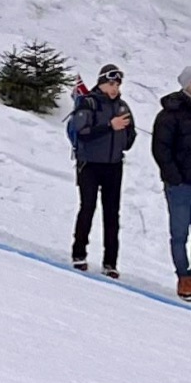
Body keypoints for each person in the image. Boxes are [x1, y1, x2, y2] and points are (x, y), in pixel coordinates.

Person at [69, 63, 136, 278]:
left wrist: (125, 135)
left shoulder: (123, 107)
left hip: (113, 165)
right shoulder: (89, 103)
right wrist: (109, 126)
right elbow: (82, 132)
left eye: (117, 84)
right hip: (89, 164)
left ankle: (110, 262)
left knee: (112, 214)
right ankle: (79, 253)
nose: (114, 88)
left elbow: (129, 138)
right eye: (110, 84)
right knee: (87, 207)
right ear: (101, 83)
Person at [151, 66, 191, 300]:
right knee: (179, 233)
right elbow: (160, 149)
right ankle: (184, 277)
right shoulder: (170, 113)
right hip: (179, 186)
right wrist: (174, 178)